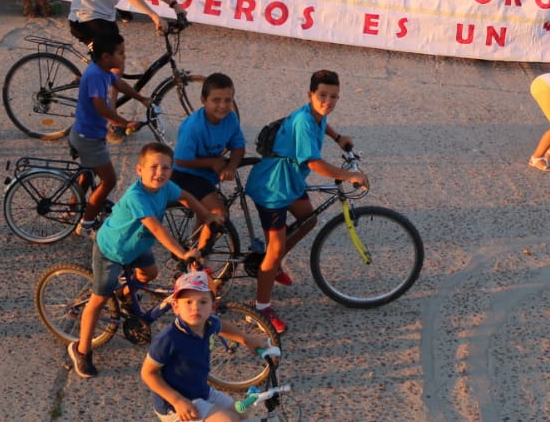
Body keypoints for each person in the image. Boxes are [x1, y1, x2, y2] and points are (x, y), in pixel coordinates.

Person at [68, 141, 217, 378]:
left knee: (150, 274)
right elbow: (157, 229)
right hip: (112, 250)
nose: (160, 173)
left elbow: (186, 196)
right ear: (140, 170)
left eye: (166, 168)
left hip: (137, 246)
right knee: (98, 300)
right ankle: (82, 350)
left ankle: (125, 297)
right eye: (154, 167)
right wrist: (182, 253)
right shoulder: (137, 196)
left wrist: (207, 215)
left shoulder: (165, 187)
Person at [247, 70, 365, 332]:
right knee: (274, 249)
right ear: (310, 94)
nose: (328, 101)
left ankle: (272, 265)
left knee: (308, 219)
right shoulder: (303, 121)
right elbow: (314, 163)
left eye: (334, 96)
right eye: (322, 95)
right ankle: (261, 308)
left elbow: (323, 122)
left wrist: (337, 137)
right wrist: (349, 175)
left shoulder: (316, 113)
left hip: (290, 182)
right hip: (273, 187)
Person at [142, 269, 278, 422]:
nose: (195, 307)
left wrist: (246, 339)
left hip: (201, 391)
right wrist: (177, 400)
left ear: (213, 306)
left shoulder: (209, 323)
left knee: (242, 414)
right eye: (188, 301)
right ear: (175, 306)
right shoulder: (168, 339)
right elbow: (148, 373)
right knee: (228, 420)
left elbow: (222, 326)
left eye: (203, 301)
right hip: (175, 404)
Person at [70, 31, 152, 235]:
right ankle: (86, 224)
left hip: (85, 133)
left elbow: (119, 84)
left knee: (87, 173)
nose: (124, 57)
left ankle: (74, 209)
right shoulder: (96, 76)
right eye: (121, 53)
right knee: (109, 181)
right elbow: (101, 107)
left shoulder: (102, 70)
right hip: (89, 138)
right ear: (106, 56)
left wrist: (141, 98)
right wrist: (124, 123)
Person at [169, 72, 244, 233]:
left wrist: (231, 166)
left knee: (207, 216)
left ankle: (195, 246)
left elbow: (238, 146)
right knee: (219, 214)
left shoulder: (231, 118)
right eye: (216, 100)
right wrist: (212, 162)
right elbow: (180, 160)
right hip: (186, 175)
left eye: (228, 100)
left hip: (206, 175)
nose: (223, 105)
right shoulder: (194, 127)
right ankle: (200, 254)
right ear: (203, 101)